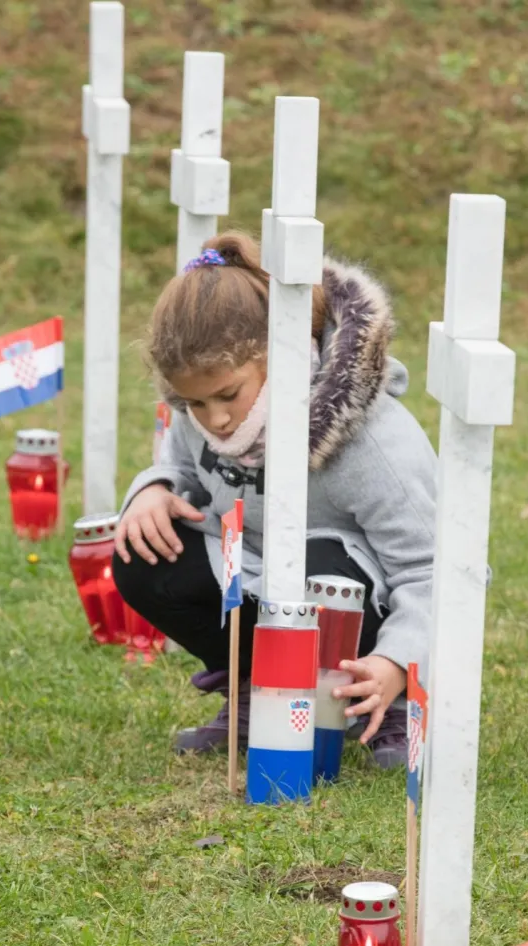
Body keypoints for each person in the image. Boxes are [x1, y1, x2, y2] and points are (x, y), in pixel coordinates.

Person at [112, 232, 436, 768]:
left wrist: (397, 662)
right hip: (260, 584)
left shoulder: (375, 441)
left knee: (319, 568)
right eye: (194, 402)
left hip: (357, 609)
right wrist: (153, 490)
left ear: (277, 351)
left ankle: (388, 704)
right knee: (142, 552)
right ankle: (253, 688)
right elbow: (182, 470)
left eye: (227, 395)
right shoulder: (198, 415)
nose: (213, 418)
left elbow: (432, 571)